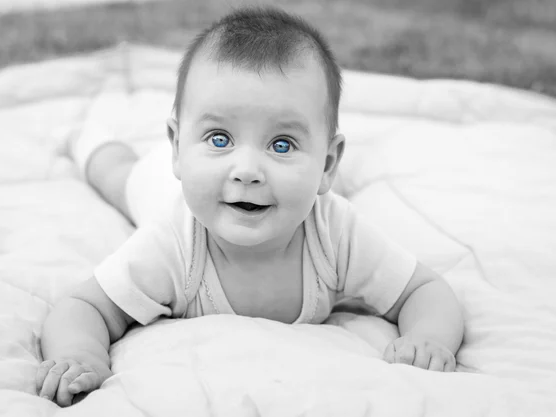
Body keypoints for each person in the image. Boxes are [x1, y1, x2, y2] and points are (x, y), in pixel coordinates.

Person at [36, 7, 464, 407]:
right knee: (118, 175)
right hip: (156, 185)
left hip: (277, 182)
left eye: (282, 144)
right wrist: (79, 352)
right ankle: (86, 138)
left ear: (330, 164)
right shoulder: (170, 244)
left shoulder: (337, 232)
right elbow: (85, 306)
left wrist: (429, 337)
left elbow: (423, 291)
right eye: (219, 138)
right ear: (178, 147)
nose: (247, 171)